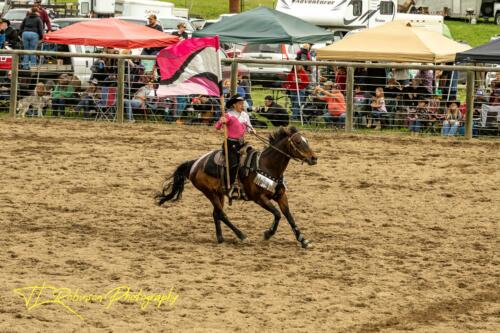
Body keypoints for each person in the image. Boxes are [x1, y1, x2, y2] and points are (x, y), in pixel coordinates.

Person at [214, 94, 256, 199]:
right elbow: (217, 127)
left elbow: (249, 127)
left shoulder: (245, 115)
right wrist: (221, 121)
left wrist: (252, 130)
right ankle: (231, 186)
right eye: (240, 103)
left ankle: (245, 186)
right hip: (230, 144)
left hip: (242, 144)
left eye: (243, 103)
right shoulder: (228, 115)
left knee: (250, 161)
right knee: (233, 165)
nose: (242, 105)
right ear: (234, 105)